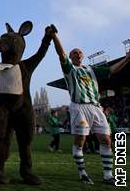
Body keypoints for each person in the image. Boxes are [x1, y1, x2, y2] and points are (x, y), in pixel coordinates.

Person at [51, 29, 130, 185]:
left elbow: (112, 70)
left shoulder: (91, 70)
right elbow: (61, 54)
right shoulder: (69, 69)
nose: (78, 54)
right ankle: (83, 173)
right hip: (79, 107)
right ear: (71, 57)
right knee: (80, 140)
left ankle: (108, 175)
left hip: (96, 107)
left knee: (106, 140)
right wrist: (54, 36)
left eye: (80, 52)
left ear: (83, 56)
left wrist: (127, 59)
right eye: (74, 52)